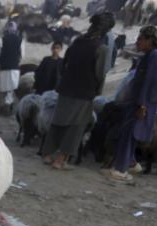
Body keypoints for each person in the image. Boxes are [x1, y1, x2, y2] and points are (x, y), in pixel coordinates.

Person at [41, 12, 114, 170]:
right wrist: (97, 91)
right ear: (106, 30)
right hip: (84, 91)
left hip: (66, 87)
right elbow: (100, 73)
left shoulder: (77, 41)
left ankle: (47, 155)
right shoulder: (102, 48)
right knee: (76, 126)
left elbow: (65, 62)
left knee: (58, 121)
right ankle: (60, 160)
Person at [103, 25, 157, 182]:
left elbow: (150, 82)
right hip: (138, 100)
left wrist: (142, 105)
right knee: (129, 132)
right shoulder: (149, 55)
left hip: (142, 102)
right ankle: (130, 163)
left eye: (140, 39)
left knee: (130, 134)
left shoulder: (155, 56)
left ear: (149, 41)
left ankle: (121, 170)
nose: (137, 42)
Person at [0, 22, 23, 109]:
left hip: (3, 67)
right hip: (14, 68)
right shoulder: (20, 40)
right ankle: (9, 105)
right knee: (11, 88)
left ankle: (2, 106)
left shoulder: (2, 39)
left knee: (2, 88)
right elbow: (22, 55)